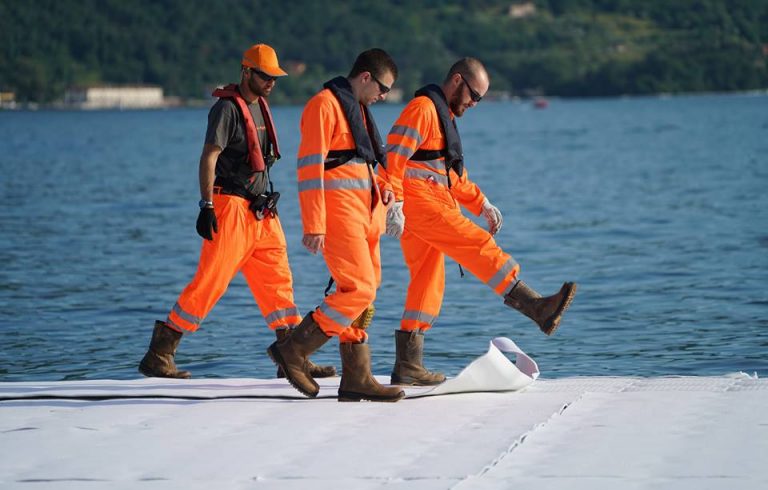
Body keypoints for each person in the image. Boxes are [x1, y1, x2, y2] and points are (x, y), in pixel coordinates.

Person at [138, 43, 335, 380]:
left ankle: (292, 355)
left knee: (279, 282)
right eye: (265, 76)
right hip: (230, 208)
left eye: (275, 77)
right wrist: (206, 205)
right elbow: (209, 157)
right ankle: (160, 353)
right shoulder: (226, 109)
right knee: (210, 283)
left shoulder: (260, 106)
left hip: (262, 213)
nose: (271, 82)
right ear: (246, 72)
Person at [381, 57, 577, 386]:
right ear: (457, 81)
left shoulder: (442, 117)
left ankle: (408, 364)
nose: (475, 104)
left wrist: (481, 203)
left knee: (428, 280)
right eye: (475, 96)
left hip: (427, 201)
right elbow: (393, 158)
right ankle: (536, 307)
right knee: (477, 244)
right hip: (418, 202)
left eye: (480, 99)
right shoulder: (423, 110)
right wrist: (395, 201)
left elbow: (450, 176)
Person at [267, 49, 405, 402]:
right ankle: (295, 349)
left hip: (368, 214)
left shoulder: (357, 109)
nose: (385, 96)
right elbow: (309, 168)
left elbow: (368, 164)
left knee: (364, 292)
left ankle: (357, 376)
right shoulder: (323, 105)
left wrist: (388, 196)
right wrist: (314, 223)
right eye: (383, 88)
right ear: (365, 77)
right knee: (358, 289)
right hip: (340, 213)